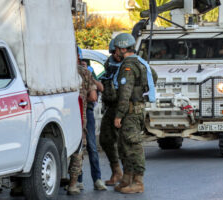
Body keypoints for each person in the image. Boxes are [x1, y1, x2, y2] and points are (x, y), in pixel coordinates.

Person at [113, 33, 157, 194]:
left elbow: (125, 93)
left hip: (130, 112)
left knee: (133, 146)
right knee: (125, 146)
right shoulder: (140, 63)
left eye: (117, 49)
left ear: (123, 48)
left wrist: (119, 115)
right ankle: (127, 178)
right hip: (137, 109)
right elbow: (155, 76)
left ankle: (138, 181)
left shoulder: (128, 67)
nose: (116, 52)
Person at [67, 46, 98, 195]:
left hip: (58, 115)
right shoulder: (84, 72)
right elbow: (94, 97)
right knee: (78, 150)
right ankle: (73, 184)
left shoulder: (57, 72)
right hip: (79, 117)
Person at [99, 39, 123, 186]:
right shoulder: (109, 63)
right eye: (113, 52)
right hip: (110, 106)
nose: (115, 54)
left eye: (117, 51)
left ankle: (130, 175)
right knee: (105, 139)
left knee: (126, 143)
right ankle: (116, 171)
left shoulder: (132, 63)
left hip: (125, 106)